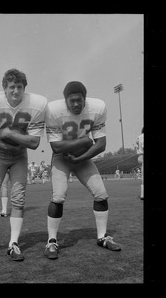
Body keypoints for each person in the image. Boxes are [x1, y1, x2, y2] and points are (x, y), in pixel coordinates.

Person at [0, 68, 47, 264]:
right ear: (4, 88)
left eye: (19, 87)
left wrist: (9, 134)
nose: (15, 91)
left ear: (24, 88)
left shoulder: (36, 104)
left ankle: (13, 243)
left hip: (20, 157)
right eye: (11, 87)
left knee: (18, 201)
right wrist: (15, 143)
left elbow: (35, 143)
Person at [44, 81, 121, 259]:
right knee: (59, 196)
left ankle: (102, 237)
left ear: (85, 99)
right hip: (62, 158)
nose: (77, 104)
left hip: (83, 158)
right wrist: (84, 141)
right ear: (65, 101)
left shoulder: (98, 108)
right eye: (72, 101)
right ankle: (52, 241)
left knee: (101, 193)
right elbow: (56, 147)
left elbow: (101, 144)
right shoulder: (54, 111)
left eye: (80, 100)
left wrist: (80, 157)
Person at [136, 127, 144, 200]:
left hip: (140, 156)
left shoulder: (139, 137)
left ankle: (142, 194)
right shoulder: (143, 137)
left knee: (143, 177)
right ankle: (142, 195)